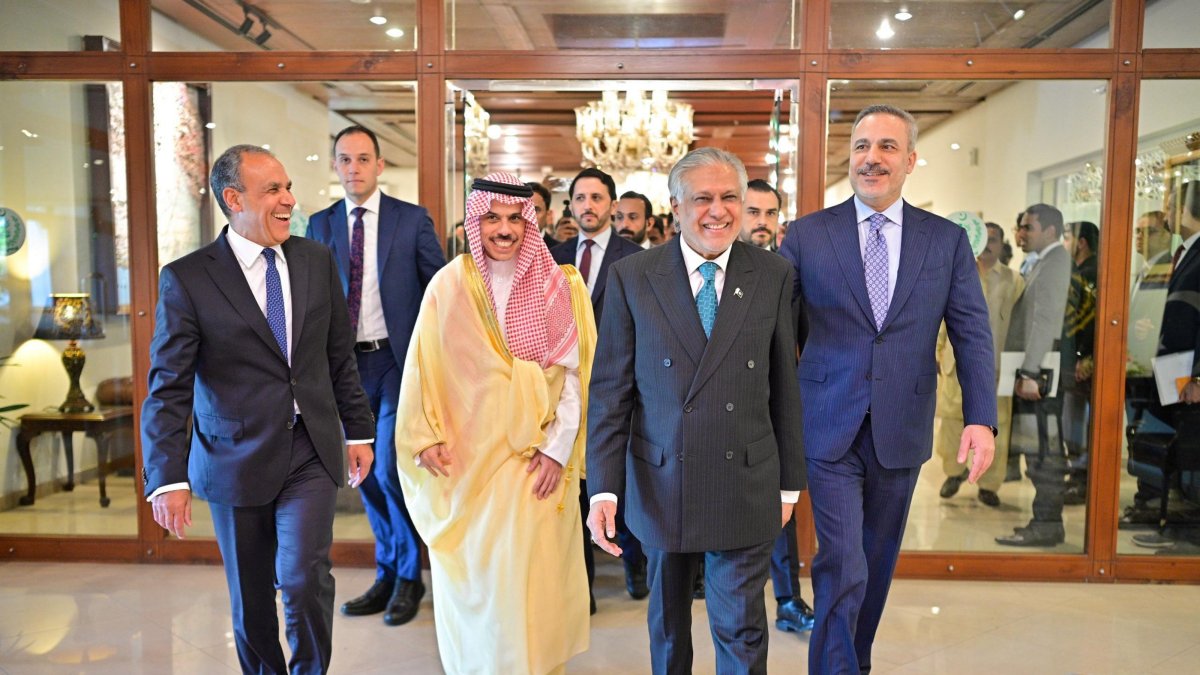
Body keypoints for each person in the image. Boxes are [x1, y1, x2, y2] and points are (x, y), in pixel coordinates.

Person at [779, 104, 996, 675]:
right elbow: (777, 334)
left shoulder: (944, 241)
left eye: (886, 147)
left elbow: (972, 331)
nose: (871, 158)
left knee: (874, 561)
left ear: (910, 161)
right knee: (842, 560)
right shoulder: (807, 236)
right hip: (827, 421)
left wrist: (980, 417)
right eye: (861, 146)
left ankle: (856, 660)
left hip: (902, 424)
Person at [141, 144, 375, 674]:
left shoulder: (316, 259)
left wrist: (358, 431)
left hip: (309, 448)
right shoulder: (188, 278)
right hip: (232, 457)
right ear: (233, 198)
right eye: (273, 190)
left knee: (302, 577)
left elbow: (339, 357)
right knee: (251, 600)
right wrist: (167, 477)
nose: (289, 199)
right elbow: (168, 387)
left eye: (288, 187)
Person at [587, 147, 806, 674]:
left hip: (745, 481)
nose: (718, 210)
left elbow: (785, 385)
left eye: (730, 196)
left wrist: (789, 485)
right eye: (702, 197)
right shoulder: (633, 275)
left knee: (742, 631)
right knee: (668, 632)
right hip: (662, 481)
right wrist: (604, 486)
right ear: (677, 206)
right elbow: (611, 390)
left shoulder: (773, 274)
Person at [395, 172, 594, 674]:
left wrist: (557, 449)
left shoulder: (559, 283)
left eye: (514, 219)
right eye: (491, 219)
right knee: (478, 585)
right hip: (467, 462)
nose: (503, 230)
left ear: (532, 223)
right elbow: (423, 366)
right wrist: (423, 439)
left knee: (529, 586)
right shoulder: (450, 283)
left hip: (532, 460)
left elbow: (573, 377)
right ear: (474, 222)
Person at [306, 125, 445, 626]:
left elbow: (438, 288)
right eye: (344, 159)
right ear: (335, 165)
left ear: (380, 165)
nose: (354, 168)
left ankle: (409, 575)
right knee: (359, 471)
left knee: (387, 468)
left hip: (396, 361)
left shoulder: (411, 221)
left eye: (363, 159)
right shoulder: (319, 225)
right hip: (343, 365)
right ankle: (387, 570)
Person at [551, 167, 648, 606]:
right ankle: (581, 588)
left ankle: (633, 561)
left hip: (621, 384)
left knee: (617, 481)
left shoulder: (637, 257)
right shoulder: (553, 256)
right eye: (580, 198)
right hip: (566, 388)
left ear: (611, 205)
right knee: (574, 490)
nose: (588, 205)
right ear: (570, 205)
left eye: (596, 197)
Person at [995, 204, 1072, 547]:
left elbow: (1046, 320)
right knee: (1036, 448)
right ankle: (1042, 521)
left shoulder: (1056, 264)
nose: (1021, 233)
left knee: (1045, 450)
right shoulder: (1039, 262)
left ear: (1051, 231)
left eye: (1028, 227)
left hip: (1039, 377)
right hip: (1034, 373)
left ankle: (1047, 524)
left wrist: (1029, 371)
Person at [938, 222, 1024, 507]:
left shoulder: (1014, 280)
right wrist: (937, 352)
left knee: (997, 425)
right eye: (984, 238)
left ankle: (989, 485)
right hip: (955, 366)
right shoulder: (957, 272)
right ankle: (954, 472)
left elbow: (1020, 326)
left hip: (997, 369)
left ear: (1001, 244)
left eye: (994, 239)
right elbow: (940, 319)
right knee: (951, 423)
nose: (988, 244)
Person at [741, 179, 781, 251]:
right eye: (754, 212)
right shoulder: (719, 260)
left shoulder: (786, 261)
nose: (763, 222)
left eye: (770, 213)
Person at [528, 181, 559, 248]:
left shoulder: (560, 251)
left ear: (548, 215)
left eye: (536, 210)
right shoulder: (504, 249)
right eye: (525, 209)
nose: (529, 216)